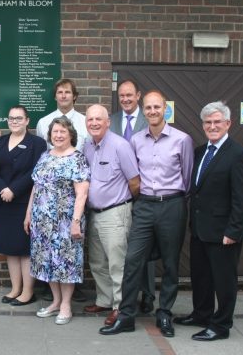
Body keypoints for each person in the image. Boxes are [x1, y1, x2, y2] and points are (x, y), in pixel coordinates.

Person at [100, 90, 193, 337]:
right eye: (149, 108)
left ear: (165, 109)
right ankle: (127, 316)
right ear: (144, 109)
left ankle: (164, 314)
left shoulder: (182, 140)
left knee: (171, 263)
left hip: (172, 205)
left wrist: (175, 203)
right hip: (144, 206)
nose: (152, 111)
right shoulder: (136, 140)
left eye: (157, 107)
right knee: (132, 261)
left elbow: (188, 176)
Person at [174, 101, 243, 341]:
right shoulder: (200, 152)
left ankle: (221, 325)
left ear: (228, 124)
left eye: (217, 122)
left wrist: (233, 230)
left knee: (224, 280)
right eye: (208, 122)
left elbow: (242, 197)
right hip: (200, 229)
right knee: (201, 276)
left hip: (224, 232)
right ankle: (201, 314)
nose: (212, 126)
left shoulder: (239, 154)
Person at [24, 116, 90, 325]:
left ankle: (66, 305)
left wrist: (76, 221)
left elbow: (82, 194)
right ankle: (55, 301)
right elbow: (36, 187)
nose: (59, 135)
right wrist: (28, 215)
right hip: (41, 221)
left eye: (63, 131)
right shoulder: (45, 156)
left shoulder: (77, 158)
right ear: (50, 136)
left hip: (65, 222)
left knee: (66, 262)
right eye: (55, 132)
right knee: (48, 262)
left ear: (71, 134)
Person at [83, 105, 140, 327]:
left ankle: (120, 307)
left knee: (118, 264)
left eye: (99, 119)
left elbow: (135, 182)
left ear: (108, 122)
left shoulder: (120, 145)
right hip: (94, 214)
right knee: (97, 262)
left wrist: (122, 202)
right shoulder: (88, 145)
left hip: (116, 212)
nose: (94, 123)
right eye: (90, 119)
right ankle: (105, 300)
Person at [0, 106, 47, 306]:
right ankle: (15, 289)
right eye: (11, 118)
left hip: (24, 203)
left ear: (27, 121)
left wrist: (14, 189)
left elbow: (35, 171)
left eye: (19, 118)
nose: (15, 121)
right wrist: (3, 188)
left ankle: (28, 292)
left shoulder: (37, 143)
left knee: (25, 248)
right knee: (9, 248)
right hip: (2, 202)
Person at [35, 78, 88, 302]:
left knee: (71, 251)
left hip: (73, 197)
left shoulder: (86, 122)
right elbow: (44, 156)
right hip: (46, 208)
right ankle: (54, 294)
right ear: (55, 96)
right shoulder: (43, 122)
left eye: (68, 92)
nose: (64, 95)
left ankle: (71, 293)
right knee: (48, 251)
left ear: (74, 96)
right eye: (60, 92)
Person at [109, 79, 155, 314]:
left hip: (144, 192)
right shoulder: (113, 120)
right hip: (118, 193)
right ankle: (123, 296)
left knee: (144, 248)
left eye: (129, 95)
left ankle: (147, 294)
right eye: (121, 96)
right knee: (123, 248)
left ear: (138, 95)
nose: (125, 99)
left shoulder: (150, 119)